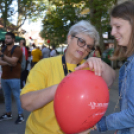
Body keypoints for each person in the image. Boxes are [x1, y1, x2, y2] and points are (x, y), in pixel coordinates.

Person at [20, 20, 115, 134]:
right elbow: (26, 103)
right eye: (81, 41)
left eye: (89, 46)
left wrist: (101, 64)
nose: (85, 48)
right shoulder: (45, 65)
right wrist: (63, 88)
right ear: (69, 38)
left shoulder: (90, 68)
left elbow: (111, 79)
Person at [82, 1, 134, 134]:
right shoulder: (127, 65)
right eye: (112, 27)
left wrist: (96, 125)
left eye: (118, 26)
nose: (112, 32)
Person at [0, 32, 24, 124]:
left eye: (8, 38)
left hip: (14, 77)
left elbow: (14, 61)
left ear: (13, 40)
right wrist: (8, 63)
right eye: (6, 38)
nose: (6, 40)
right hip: (4, 76)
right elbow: (2, 61)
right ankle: (8, 114)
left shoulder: (17, 49)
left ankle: (21, 115)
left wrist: (3, 56)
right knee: (7, 96)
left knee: (17, 96)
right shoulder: (4, 48)